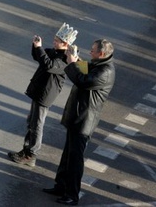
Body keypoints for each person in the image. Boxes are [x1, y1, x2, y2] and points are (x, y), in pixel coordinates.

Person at [44, 39, 115, 206]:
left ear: (102, 53)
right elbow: (85, 69)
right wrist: (76, 59)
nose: (90, 53)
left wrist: (71, 64)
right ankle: (61, 186)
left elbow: (83, 80)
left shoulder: (105, 71)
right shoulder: (99, 64)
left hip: (84, 120)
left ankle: (72, 194)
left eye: (93, 51)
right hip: (77, 116)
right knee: (67, 155)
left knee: (75, 159)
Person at [7, 23, 78, 167]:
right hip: (38, 92)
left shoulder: (64, 59)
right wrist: (36, 46)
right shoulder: (54, 52)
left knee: (37, 124)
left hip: (45, 95)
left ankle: (31, 154)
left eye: (57, 41)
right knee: (31, 122)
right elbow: (39, 57)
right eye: (54, 39)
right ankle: (26, 150)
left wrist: (39, 48)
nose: (54, 42)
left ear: (65, 43)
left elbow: (48, 65)